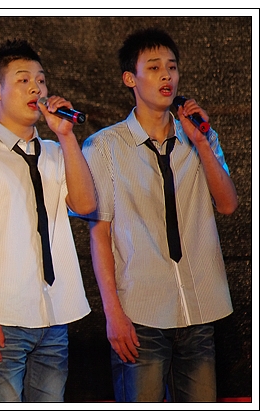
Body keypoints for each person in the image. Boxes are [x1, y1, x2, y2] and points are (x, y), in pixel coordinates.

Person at [80, 28, 238, 402]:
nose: (166, 75)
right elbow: (99, 234)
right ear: (130, 78)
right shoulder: (104, 146)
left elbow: (228, 204)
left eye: (172, 67)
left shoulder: (198, 135)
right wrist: (113, 314)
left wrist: (201, 142)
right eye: (153, 67)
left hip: (199, 307)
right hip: (141, 311)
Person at [0, 39, 96, 402]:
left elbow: (86, 204)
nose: (36, 88)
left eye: (41, 80)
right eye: (24, 79)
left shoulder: (56, 151)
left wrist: (66, 135)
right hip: (1, 318)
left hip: (54, 314)